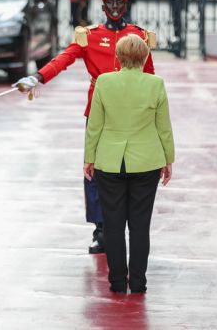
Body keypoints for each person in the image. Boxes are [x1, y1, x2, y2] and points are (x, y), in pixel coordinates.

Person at [14, 0, 156, 255]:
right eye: (110, 4)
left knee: (130, 169)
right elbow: (63, 59)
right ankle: (101, 229)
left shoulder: (139, 36)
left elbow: (150, 78)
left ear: (125, 5)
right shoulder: (89, 36)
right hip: (100, 112)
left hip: (132, 114)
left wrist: (151, 113)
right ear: (103, 7)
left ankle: (124, 225)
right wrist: (38, 77)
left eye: (119, 3)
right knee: (95, 170)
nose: (115, 9)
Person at [83, 34, 174, 294]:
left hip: (110, 161)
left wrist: (89, 158)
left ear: (118, 57)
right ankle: (138, 281)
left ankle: (117, 281)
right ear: (144, 58)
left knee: (112, 224)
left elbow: (95, 126)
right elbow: (164, 128)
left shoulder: (104, 82)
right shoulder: (156, 84)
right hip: (146, 161)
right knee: (139, 225)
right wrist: (168, 160)